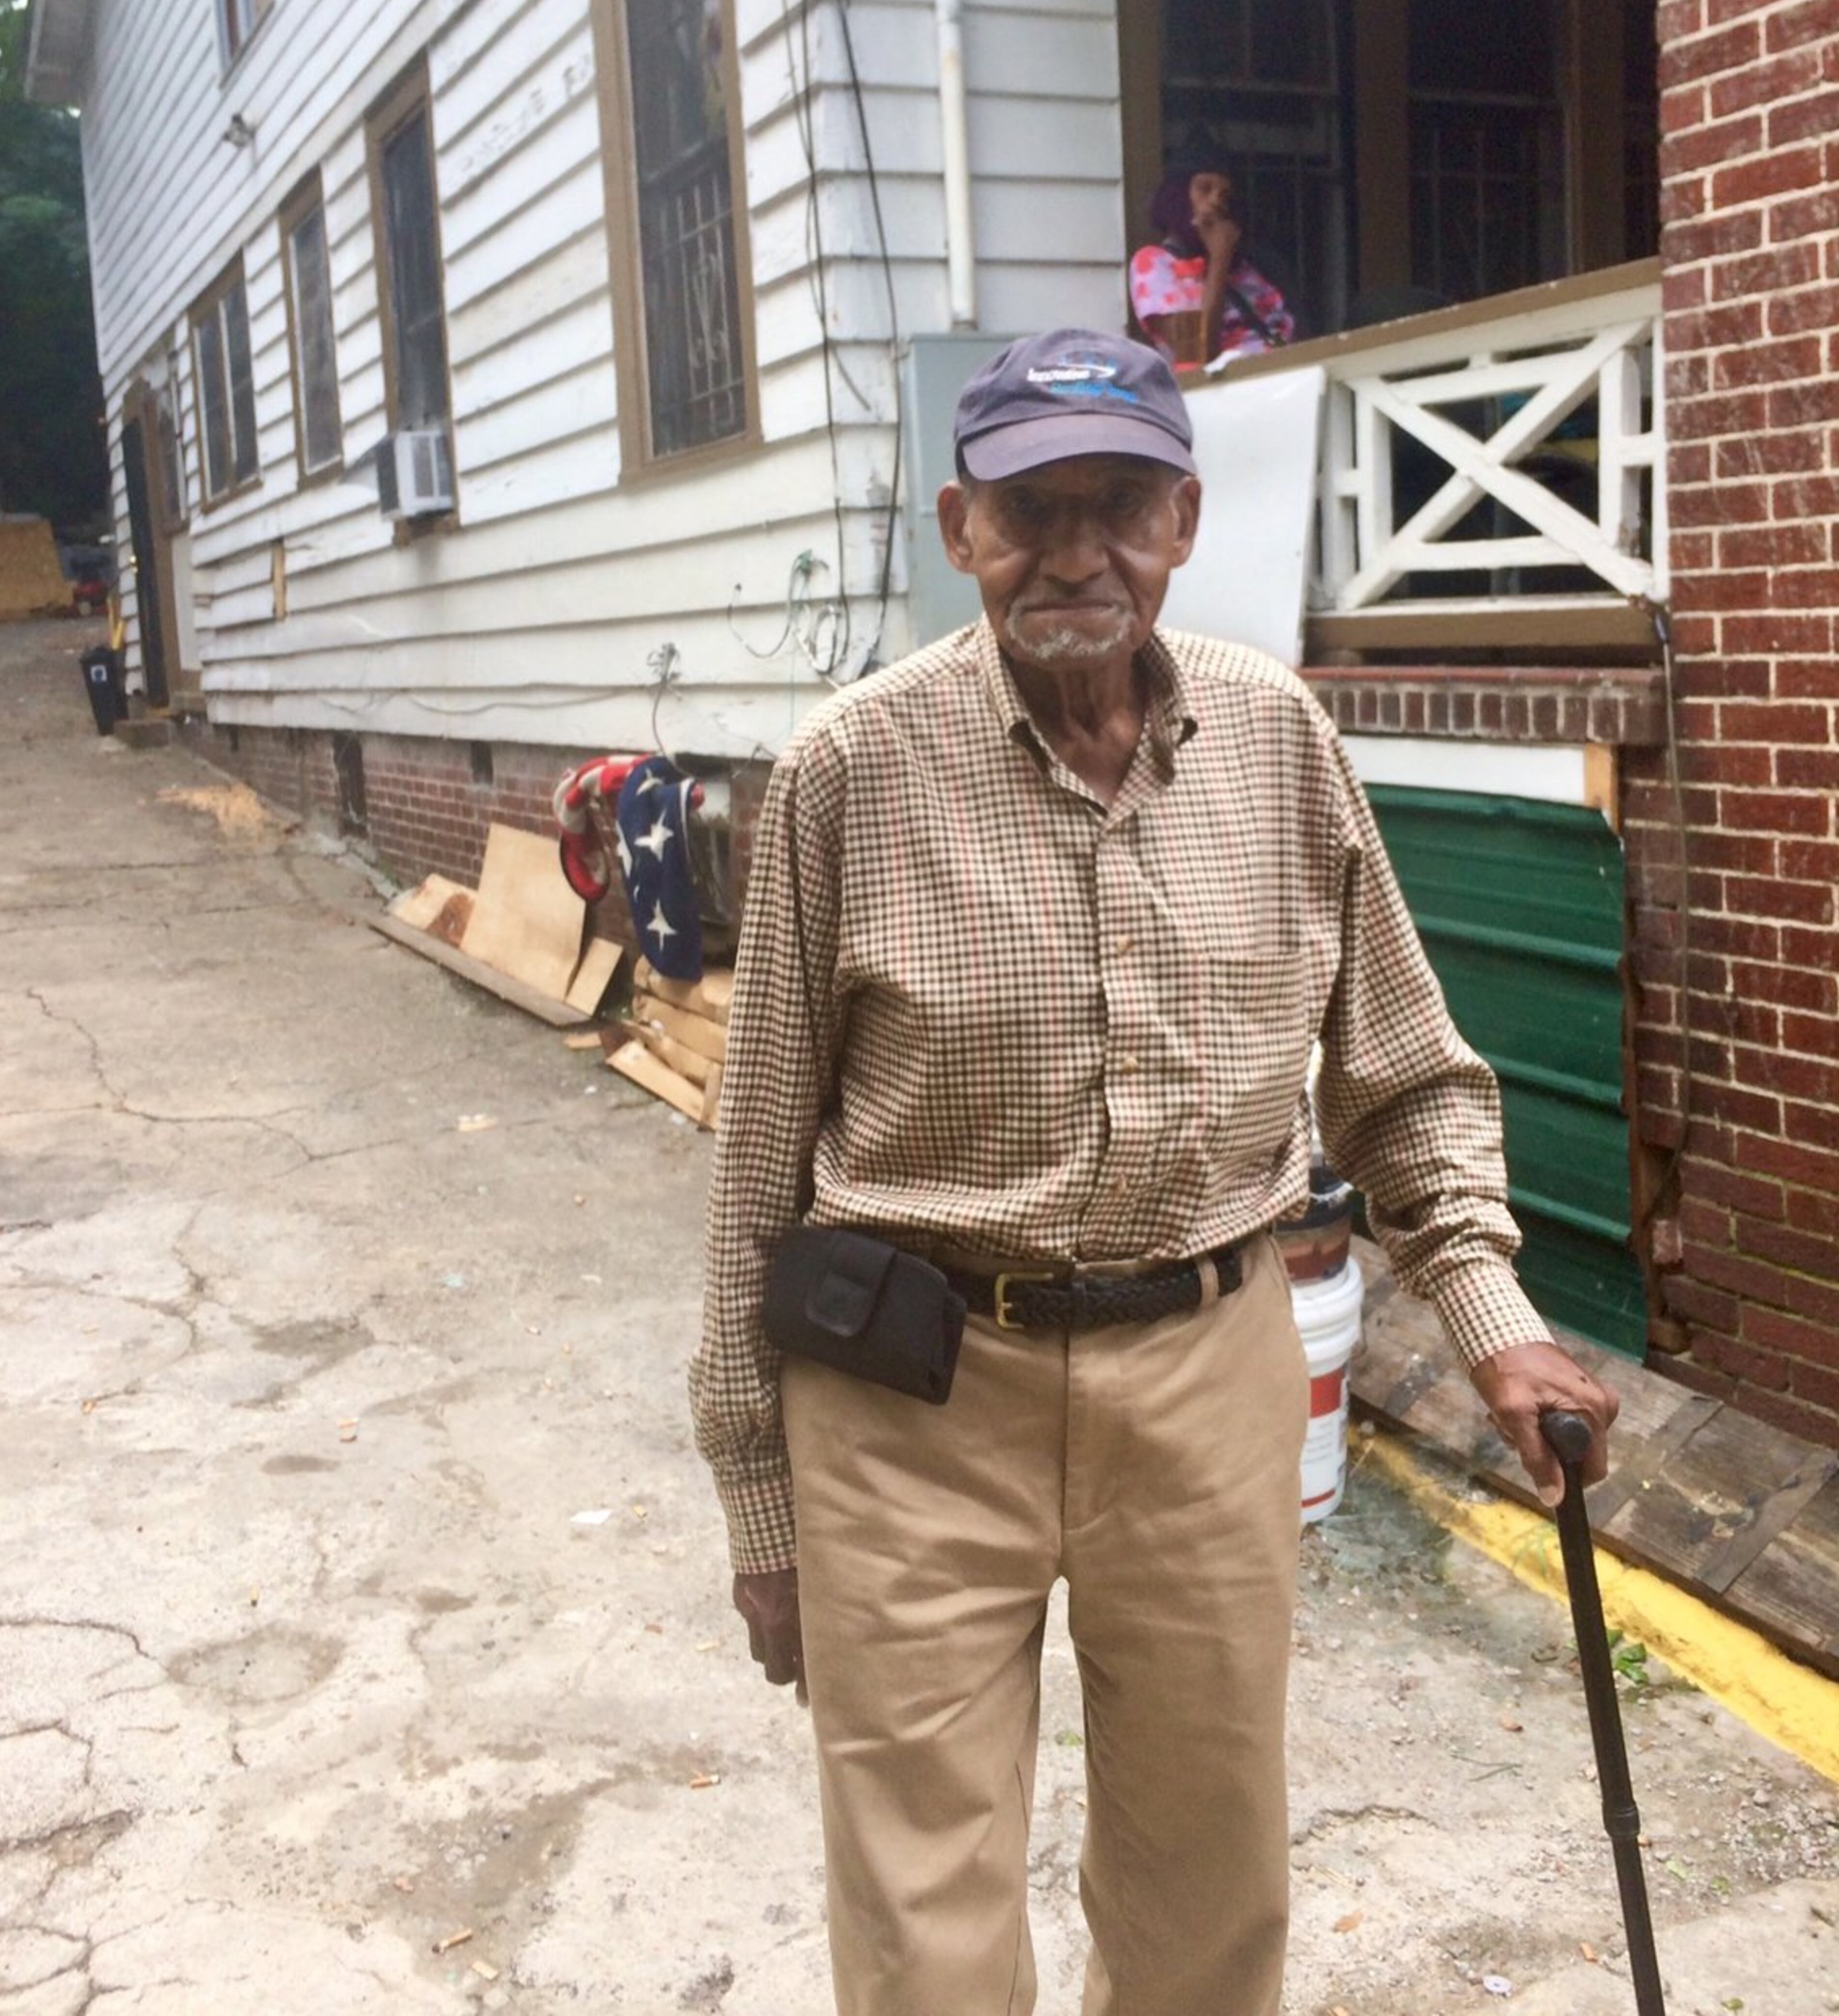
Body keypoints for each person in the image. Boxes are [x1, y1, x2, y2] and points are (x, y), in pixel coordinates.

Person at [689, 327, 1617, 2016]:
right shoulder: (850, 772)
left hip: (1205, 1380)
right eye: (1028, 511)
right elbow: (756, 1178)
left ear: (1185, 521)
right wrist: (760, 1497)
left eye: (1116, 506)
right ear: (960, 527)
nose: (1073, 555)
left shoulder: (1280, 743)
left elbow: (1399, 1077)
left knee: (1211, 1891)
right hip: (912, 1402)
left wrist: (1494, 1322)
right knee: (921, 1927)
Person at [1129, 158, 1296, 376]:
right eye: (1205, 189)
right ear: (1179, 197)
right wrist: (1220, 258)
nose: (1216, 201)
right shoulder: (1154, 263)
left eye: (1225, 195)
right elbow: (1196, 355)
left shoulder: (1252, 267)